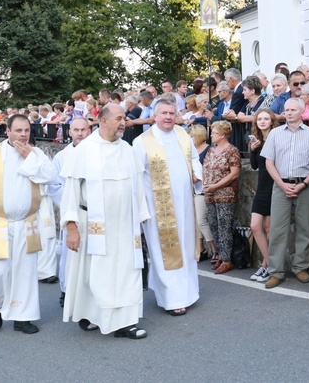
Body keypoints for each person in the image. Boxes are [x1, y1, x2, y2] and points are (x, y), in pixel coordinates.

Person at [61, 104, 150, 339]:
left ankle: (125, 322)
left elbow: (138, 187)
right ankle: (91, 314)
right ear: (103, 120)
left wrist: (141, 219)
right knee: (95, 274)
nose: (124, 122)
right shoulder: (85, 150)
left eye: (124, 118)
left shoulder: (127, 149)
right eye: (119, 118)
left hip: (124, 225)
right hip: (93, 224)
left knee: (126, 272)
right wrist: (71, 227)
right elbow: (70, 191)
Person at [0, 114, 57, 334]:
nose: (23, 135)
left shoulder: (36, 153)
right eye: (18, 131)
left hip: (27, 223)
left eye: (26, 131)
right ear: (8, 131)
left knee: (25, 272)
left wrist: (30, 158)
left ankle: (22, 317)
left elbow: (51, 176)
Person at [134, 99, 202, 315]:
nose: (168, 117)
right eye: (163, 113)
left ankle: (188, 292)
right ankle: (172, 299)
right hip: (158, 209)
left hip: (184, 204)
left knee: (185, 246)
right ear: (155, 116)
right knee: (165, 250)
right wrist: (141, 209)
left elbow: (194, 159)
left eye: (172, 113)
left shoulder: (183, 135)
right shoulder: (142, 141)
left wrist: (196, 175)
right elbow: (135, 177)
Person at [261, 98, 309, 288]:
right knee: (277, 229)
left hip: (304, 186)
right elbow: (269, 162)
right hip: (280, 186)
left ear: (301, 111)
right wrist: (281, 184)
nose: (288, 113)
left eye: (292, 110)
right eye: (286, 110)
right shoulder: (274, 134)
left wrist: (303, 184)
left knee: (303, 228)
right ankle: (276, 271)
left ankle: (300, 267)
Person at [47, 118, 91, 307]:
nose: (80, 133)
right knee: (69, 254)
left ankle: (90, 292)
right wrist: (73, 200)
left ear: (89, 130)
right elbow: (54, 186)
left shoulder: (97, 152)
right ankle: (67, 291)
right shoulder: (61, 157)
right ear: (70, 132)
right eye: (76, 130)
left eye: (83, 129)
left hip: (93, 212)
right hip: (72, 212)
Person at [203, 121, 241, 275]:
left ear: (222, 135)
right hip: (210, 194)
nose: (211, 135)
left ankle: (227, 260)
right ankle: (220, 253)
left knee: (224, 226)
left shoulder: (232, 151)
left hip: (226, 194)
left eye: (214, 132)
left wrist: (216, 186)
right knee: (213, 224)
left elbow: (234, 174)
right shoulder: (211, 150)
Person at [248, 109, 279, 282]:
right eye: (259, 119)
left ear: (272, 121)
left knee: (269, 229)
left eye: (266, 118)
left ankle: (266, 266)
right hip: (262, 188)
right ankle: (267, 263)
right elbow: (253, 166)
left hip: (275, 187)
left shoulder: (276, 139)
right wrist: (252, 150)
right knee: (255, 226)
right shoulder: (256, 141)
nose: (262, 121)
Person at [188, 124, 217, 262]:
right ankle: (201, 249)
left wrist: (195, 178)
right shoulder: (191, 150)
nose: (190, 138)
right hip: (194, 189)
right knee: (194, 222)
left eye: (192, 136)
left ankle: (214, 249)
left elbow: (210, 170)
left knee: (202, 221)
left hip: (204, 190)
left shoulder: (209, 150)